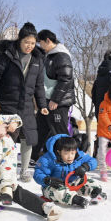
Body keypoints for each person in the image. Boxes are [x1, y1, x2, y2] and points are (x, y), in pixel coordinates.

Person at [0, 23, 48, 182]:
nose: (30, 46)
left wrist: (42, 105)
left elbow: (39, 85)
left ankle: (25, 170)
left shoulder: (37, 59)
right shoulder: (6, 55)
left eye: (33, 43)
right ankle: (5, 169)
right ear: (20, 40)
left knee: (28, 137)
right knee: (7, 137)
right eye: (27, 42)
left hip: (26, 104)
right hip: (7, 103)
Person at [34, 134, 105, 208]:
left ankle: (96, 192)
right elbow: (38, 173)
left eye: (72, 153)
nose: (70, 156)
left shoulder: (79, 156)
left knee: (89, 181)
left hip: (73, 183)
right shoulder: (47, 160)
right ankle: (76, 199)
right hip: (54, 185)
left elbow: (92, 161)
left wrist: (85, 167)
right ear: (59, 152)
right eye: (66, 153)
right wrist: (47, 180)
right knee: (56, 192)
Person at [36, 29, 75, 157]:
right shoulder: (49, 55)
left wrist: (56, 99)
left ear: (48, 41)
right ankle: (35, 156)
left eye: (40, 42)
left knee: (59, 132)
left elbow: (66, 79)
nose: (39, 46)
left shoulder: (61, 56)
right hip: (46, 100)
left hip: (57, 102)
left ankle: (67, 157)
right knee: (41, 129)